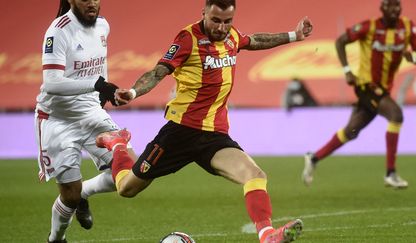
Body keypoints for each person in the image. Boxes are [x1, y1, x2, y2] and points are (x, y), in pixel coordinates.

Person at [95, 0, 312, 242]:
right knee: (126, 189)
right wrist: (134, 92)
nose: (221, 27)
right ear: (204, 14)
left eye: (227, 21)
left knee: (255, 174)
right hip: (179, 133)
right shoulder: (187, 38)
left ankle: (268, 235)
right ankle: (118, 144)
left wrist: (294, 35)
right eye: (216, 20)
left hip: (214, 137)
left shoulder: (231, 36)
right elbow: (159, 71)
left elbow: (255, 40)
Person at [35, 0, 136, 242]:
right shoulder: (58, 31)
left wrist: (106, 93)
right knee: (69, 196)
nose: (91, 2)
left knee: (129, 173)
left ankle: (84, 194)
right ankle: (56, 239)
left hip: (91, 113)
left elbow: (98, 64)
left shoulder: (103, 26)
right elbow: (52, 83)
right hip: (58, 120)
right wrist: (97, 84)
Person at [302, 0, 416, 189]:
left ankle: (314, 157)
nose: (394, 10)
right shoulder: (369, 27)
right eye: (390, 6)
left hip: (383, 89)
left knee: (351, 131)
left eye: (397, 6)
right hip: (365, 86)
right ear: (382, 8)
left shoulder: (408, 28)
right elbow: (340, 41)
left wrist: (415, 59)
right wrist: (347, 70)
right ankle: (391, 173)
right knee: (396, 115)